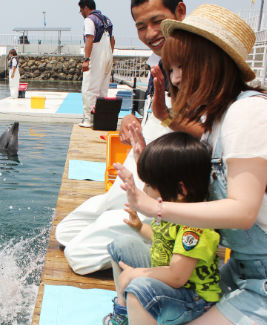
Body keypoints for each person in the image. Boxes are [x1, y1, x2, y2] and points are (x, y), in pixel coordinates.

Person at [117, 4, 267, 325]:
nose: (174, 79)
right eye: (171, 69)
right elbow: (195, 157)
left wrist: (152, 207)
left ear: (210, 62)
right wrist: (156, 127)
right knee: (173, 323)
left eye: (180, 67)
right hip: (248, 270)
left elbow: (243, 211)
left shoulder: (249, 114)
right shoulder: (223, 118)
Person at [55, 0, 187, 275]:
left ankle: (152, 251)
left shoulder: (192, 70)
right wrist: (131, 120)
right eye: (141, 25)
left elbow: (188, 149)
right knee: (64, 233)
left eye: (157, 21)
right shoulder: (160, 61)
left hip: (155, 191)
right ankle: (114, 232)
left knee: (78, 257)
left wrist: (147, 150)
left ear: (179, 13)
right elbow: (157, 117)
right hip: (134, 175)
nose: (150, 32)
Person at [93, 132, 220, 325]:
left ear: (180, 190)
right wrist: (140, 228)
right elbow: (161, 240)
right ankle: (127, 310)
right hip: (171, 279)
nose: (146, 191)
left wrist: (138, 274)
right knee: (120, 245)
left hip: (192, 299)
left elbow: (177, 277)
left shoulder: (194, 226)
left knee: (141, 287)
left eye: (151, 185)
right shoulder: (174, 210)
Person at [78, 0, 115, 128]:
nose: (81, 13)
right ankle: (101, 119)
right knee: (103, 90)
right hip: (108, 55)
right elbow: (112, 40)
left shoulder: (90, 20)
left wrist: (86, 59)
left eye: (81, 10)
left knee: (89, 87)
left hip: (96, 56)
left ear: (86, 8)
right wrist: (109, 55)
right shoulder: (106, 19)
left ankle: (88, 119)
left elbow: (90, 39)